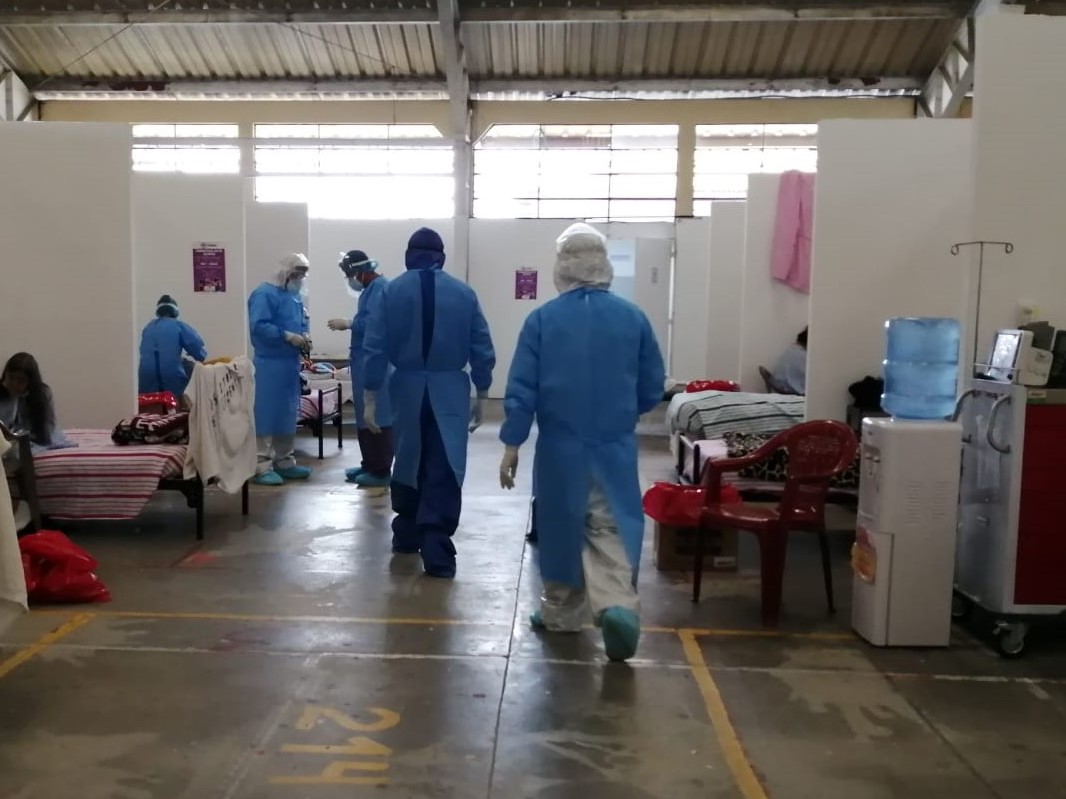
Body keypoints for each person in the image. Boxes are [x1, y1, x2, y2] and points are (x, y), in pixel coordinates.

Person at [498, 223, 665, 663]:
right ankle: (615, 605)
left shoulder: (542, 321)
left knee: (561, 527)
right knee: (609, 525)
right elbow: (652, 387)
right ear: (603, 264)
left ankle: (562, 612)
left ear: (562, 267)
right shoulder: (633, 318)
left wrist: (512, 443)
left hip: (559, 448)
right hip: (613, 444)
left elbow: (521, 390)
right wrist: (623, 413)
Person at [362, 227, 496, 579]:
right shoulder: (464, 294)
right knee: (445, 461)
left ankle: (406, 533)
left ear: (409, 254)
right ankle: (437, 549)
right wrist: (482, 391)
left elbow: (374, 347)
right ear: (441, 256)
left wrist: (371, 394)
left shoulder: (391, 292)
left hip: (405, 387)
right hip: (449, 388)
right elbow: (481, 345)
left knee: (407, 457)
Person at [327, 250, 394, 489]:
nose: (349, 280)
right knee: (364, 415)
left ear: (360, 272)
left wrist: (349, 323)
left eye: (349, 275)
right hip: (363, 358)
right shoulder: (369, 291)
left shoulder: (381, 288)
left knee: (378, 415)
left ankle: (381, 469)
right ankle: (369, 464)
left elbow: (377, 324)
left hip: (375, 359)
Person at [248, 253, 313, 486]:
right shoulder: (264, 294)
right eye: (297, 274)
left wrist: (303, 337)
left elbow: (301, 321)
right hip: (269, 364)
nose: (300, 279)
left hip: (289, 364)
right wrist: (286, 335)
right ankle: (261, 464)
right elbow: (259, 326)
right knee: (266, 414)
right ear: (285, 272)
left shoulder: (293, 298)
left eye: (303, 275)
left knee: (286, 415)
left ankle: (285, 461)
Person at [137, 294, 208, 401]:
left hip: (145, 382)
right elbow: (200, 355)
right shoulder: (179, 326)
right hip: (172, 382)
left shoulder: (148, 327)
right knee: (190, 367)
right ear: (175, 312)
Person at [0, 353, 57, 448]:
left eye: (21, 381)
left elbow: (46, 430)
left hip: (33, 441)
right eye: (10, 378)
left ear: (31, 382)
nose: (14, 384)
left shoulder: (42, 395)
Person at [772, 326, 808, 395]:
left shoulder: (793, 349)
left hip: (780, 384)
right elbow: (810, 375)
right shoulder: (801, 355)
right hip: (787, 389)